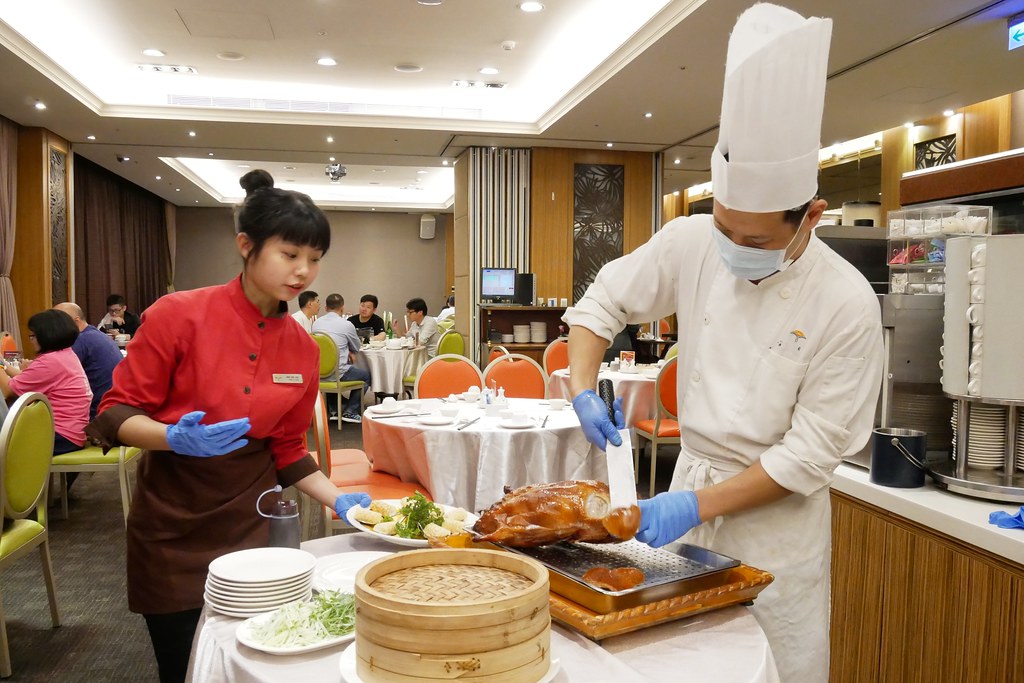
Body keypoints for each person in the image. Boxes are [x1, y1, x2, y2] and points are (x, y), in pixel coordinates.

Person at [563, 6, 883, 682]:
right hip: (687, 499)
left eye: (757, 240)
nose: (734, 249)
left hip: (775, 532)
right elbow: (602, 302)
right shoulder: (691, 240)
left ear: (811, 217)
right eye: (726, 231)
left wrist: (691, 505)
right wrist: (582, 386)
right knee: (675, 661)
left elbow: (809, 453)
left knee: (773, 664)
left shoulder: (847, 302)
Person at [85, 169, 369, 683]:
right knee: (181, 661)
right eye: (289, 254)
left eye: (315, 259)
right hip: (173, 517)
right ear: (246, 245)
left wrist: (339, 499)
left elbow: (286, 449)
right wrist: (172, 437)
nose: (304, 271)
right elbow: (115, 413)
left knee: (256, 655)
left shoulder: (303, 348)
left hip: (251, 519)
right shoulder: (178, 315)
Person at [0, 309, 92, 455]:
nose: (30, 340)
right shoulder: (65, 354)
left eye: (33, 336)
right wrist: (3, 364)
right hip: (73, 432)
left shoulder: (49, 361)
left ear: (46, 335)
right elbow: (26, 380)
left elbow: (8, 391)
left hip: (59, 435)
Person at [55, 301, 124, 420]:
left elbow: (54, 376)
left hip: (94, 413)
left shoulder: (80, 341)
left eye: (57, 322)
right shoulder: (95, 335)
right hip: (113, 408)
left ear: (76, 321)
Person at [311, 293, 370, 423]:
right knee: (366, 376)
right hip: (339, 373)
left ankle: (334, 410)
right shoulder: (346, 324)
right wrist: (349, 350)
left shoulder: (316, 324)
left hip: (319, 372)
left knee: (332, 370)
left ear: (326, 308)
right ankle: (351, 411)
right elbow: (357, 346)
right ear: (342, 308)